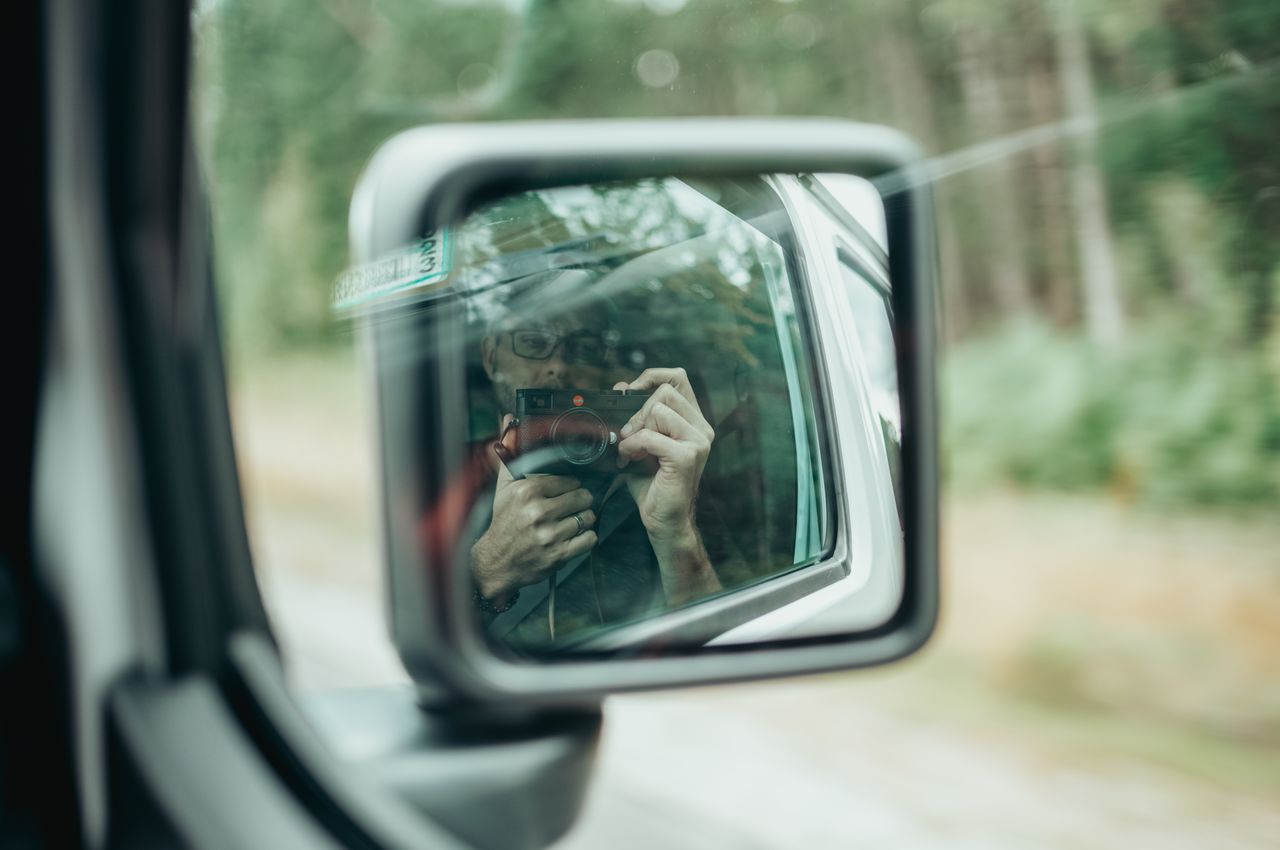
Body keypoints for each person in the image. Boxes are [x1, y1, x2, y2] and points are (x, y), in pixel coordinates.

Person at [468, 269, 722, 648]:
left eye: (584, 348)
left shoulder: (659, 477)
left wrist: (675, 534)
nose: (560, 366)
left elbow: (720, 655)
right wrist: (487, 569)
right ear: (491, 357)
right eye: (535, 340)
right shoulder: (440, 479)